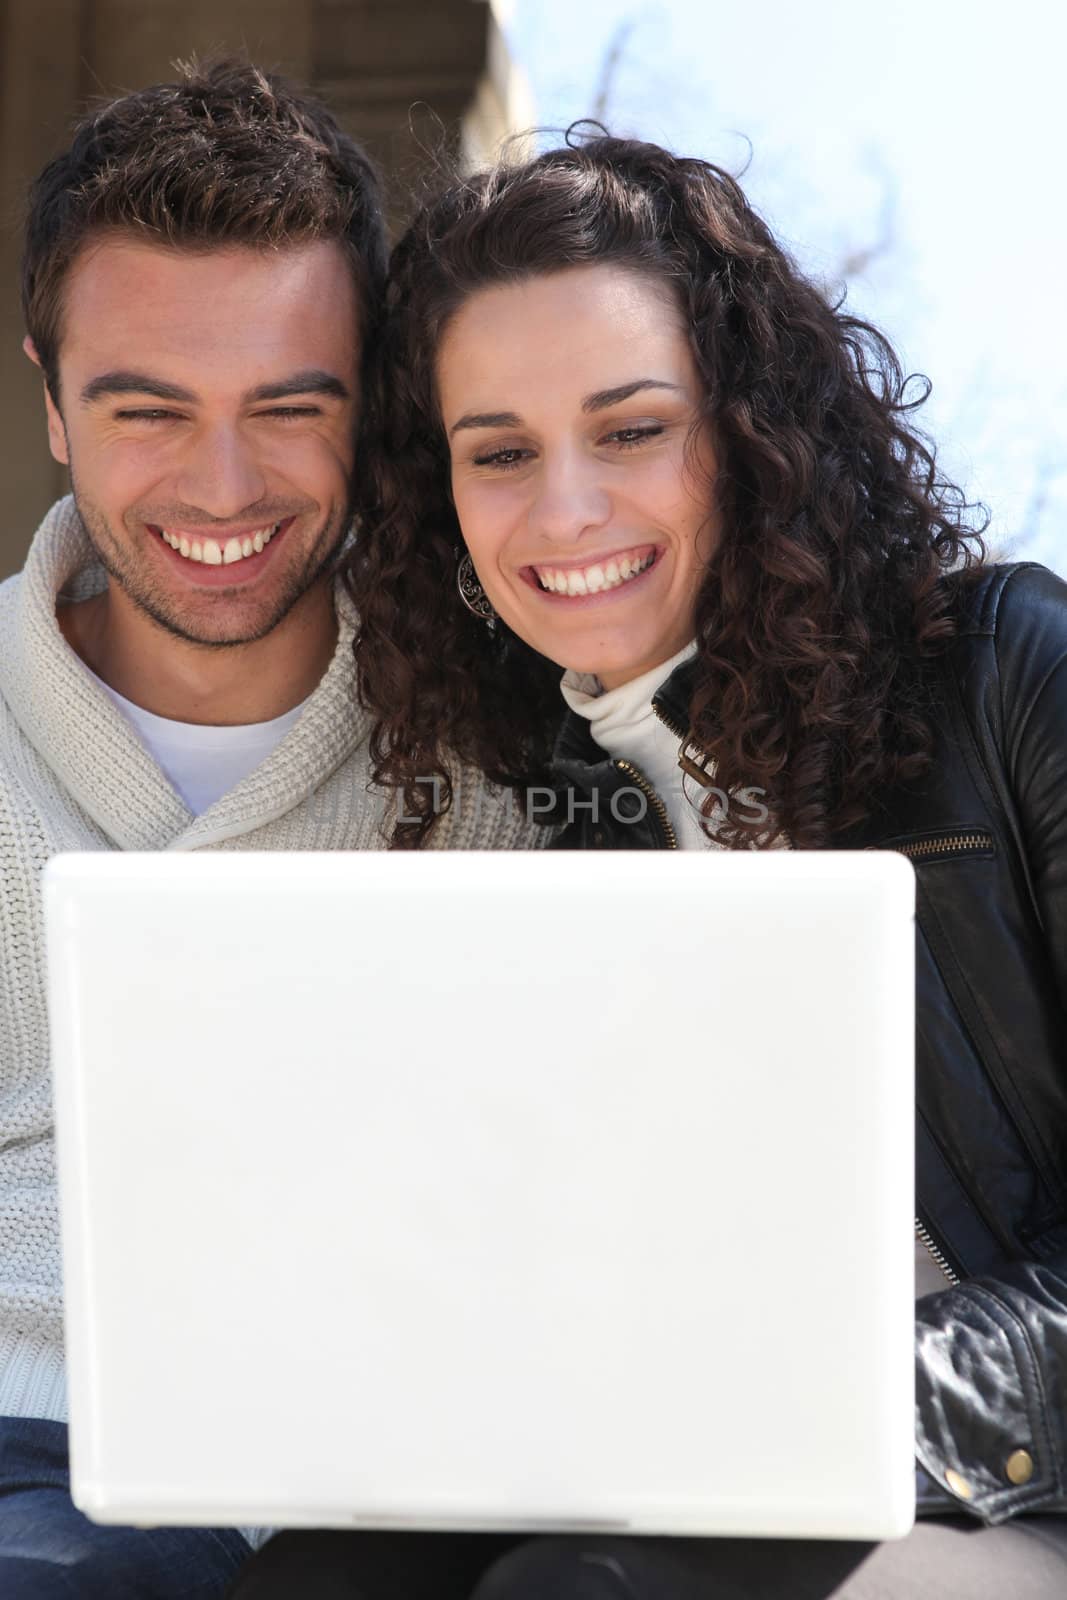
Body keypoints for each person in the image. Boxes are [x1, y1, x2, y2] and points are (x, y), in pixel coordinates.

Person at [234, 133, 1067, 1595]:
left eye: (630, 429)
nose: (563, 513)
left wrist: (824, 1399)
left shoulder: (1008, 674)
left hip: (997, 1483)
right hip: (690, 1458)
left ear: (751, 429)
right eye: (499, 453)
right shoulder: (536, 803)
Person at [0, 58, 541, 1600]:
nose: (221, 484)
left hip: (409, 1475)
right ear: (50, 401)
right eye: (146, 409)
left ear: (371, 410)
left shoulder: (519, 737)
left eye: (287, 409)